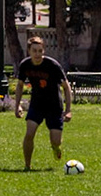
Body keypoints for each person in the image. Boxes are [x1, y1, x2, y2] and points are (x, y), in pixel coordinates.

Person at [12, 35, 72, 171]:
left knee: (55, 141)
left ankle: (56, 147)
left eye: (40, 51)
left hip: (54, 106)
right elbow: (20, 85)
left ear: (43, 51)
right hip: (37, 104)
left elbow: (66, 87)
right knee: (29, 133)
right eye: (34, 51)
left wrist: (68, 110)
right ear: (29, 51)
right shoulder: (25, 65)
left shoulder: (53, 65)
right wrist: (18, 106)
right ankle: (27, 165)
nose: (37, 54)